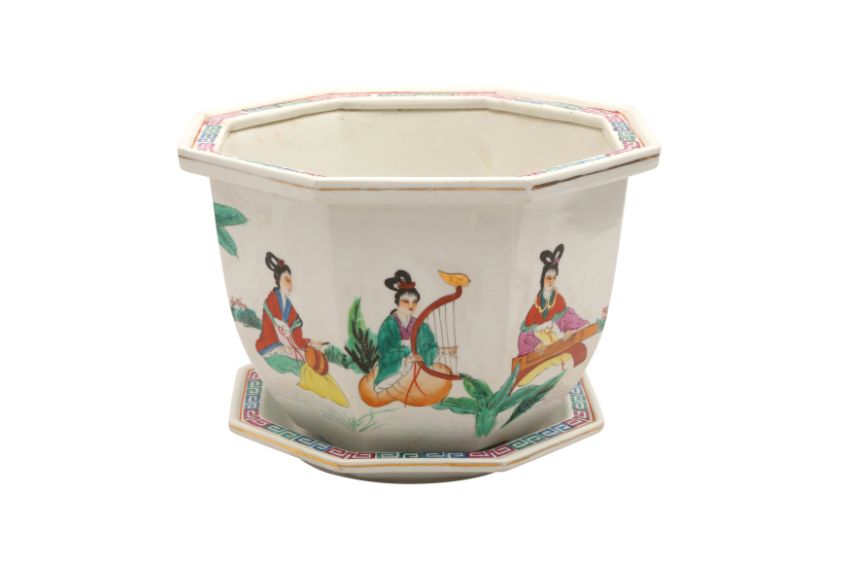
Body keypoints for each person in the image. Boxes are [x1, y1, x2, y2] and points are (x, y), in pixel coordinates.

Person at [255, 252, 348, 407]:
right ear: (278, 280)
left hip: (288, 349)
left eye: (291, 281)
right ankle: (329, 401)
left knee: (317, 368)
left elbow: (297, 339)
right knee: (306, 369)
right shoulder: (271, 300)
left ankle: (339, 399)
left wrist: (311, 343)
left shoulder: (290, 308)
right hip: (270, 349)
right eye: (287, 280)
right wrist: (284, 332)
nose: (290, 285)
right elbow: (274, 327)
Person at [516, 244, 589, 387]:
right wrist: (535, 343)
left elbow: (564, 315)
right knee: (539, 365)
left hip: (552, 334)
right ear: (543, 279)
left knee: (566, 354)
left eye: (553, 278)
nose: (551, 281)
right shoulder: (535, 305)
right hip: (539, 338)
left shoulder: (558, 298)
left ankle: (560, 382)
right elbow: (526, 331)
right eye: (548, 278)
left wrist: (568, 328)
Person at [374, 270, 456, 393]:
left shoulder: (420, 325)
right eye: (406, 301)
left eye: (414, 302)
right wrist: (407, 358)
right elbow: (386, 352)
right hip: (395, 367)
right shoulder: (389, 324)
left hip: (416, 366)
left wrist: (443, 350)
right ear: (397, 302)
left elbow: (427, 348)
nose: (411, 306)